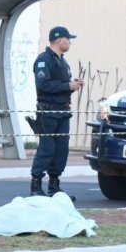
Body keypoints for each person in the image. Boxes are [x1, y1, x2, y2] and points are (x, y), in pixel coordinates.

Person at [30, 26, 83, 200]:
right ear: (60, 40)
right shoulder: (44, 60)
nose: (70, 42)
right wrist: (67, 86)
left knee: (61, 149)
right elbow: (43, 85)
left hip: (63, 111)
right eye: (69, 39)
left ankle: (54, 186)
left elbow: (60, 85)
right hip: (48, 112)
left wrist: (72, 86)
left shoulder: (63, 61)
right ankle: (36, 185)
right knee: (47, 147)